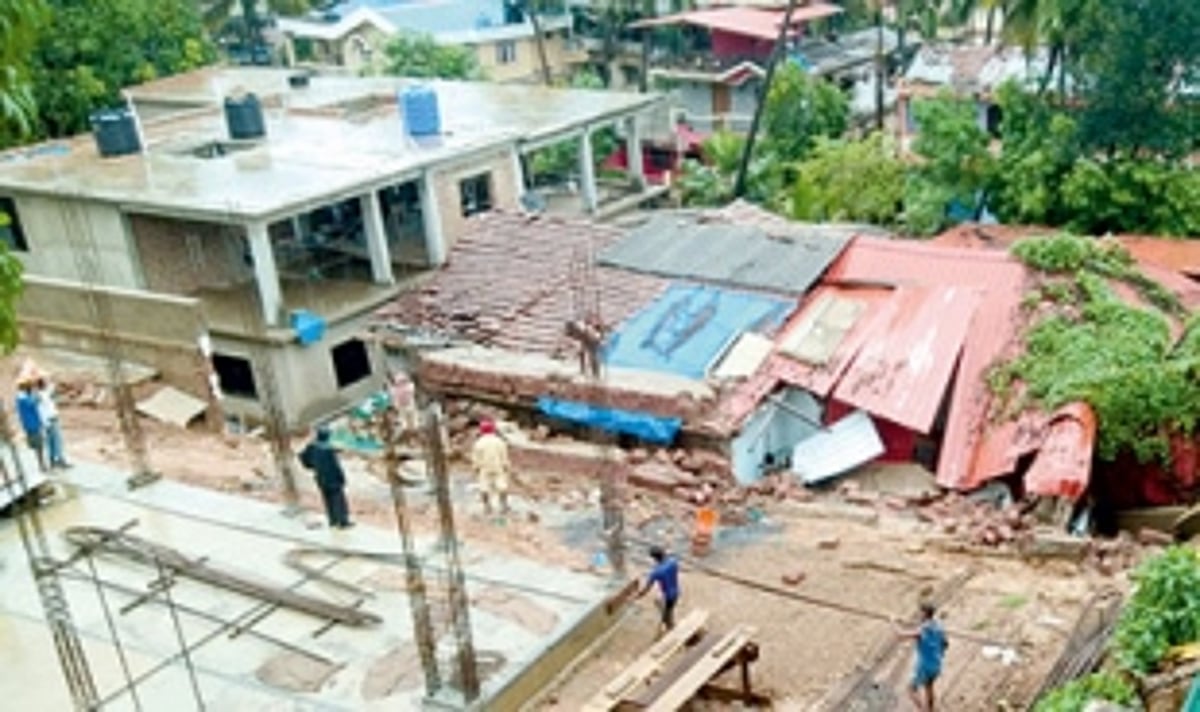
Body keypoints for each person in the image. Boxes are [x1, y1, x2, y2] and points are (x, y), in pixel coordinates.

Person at [299, 426, 353, 529]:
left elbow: (302, 457)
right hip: (333, 479)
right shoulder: (328, 449)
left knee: (327, 500)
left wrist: (312, 466)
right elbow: (335, 467)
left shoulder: (312, 447)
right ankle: (342, 522)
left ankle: (332, 521)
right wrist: (342, 478)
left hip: (321, 478)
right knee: (339, 500)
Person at [898, 602, 948, 711]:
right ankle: (930, 709)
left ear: (925, 613)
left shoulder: (922, 630)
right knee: (928, 686)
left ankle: (923, 709)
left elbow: (900, 635)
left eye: (920, 612)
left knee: (911, 689)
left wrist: (891, 621)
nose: (918, 614)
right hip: (936, 664)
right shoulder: (939, 626)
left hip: (925, 666)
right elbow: (945, 643)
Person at [636, 545, 680, 635]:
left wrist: (638, 596)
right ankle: (668, 623)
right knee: (664, 607)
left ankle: (671, 630)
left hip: (668, 596)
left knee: (666, 614)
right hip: (676, 592)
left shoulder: (656, 572)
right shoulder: (673, 562)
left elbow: (646, 589)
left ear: (654, 558)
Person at [470, 419, 511, 515]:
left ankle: (487, 507)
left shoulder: (478, 443)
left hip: (484, 468)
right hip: (498, 467)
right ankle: (503, 505)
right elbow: (504, 456)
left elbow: (476, 459)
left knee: (484, 488)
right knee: (502, 486)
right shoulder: (500, 441)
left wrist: (475, 469)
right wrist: (506, 467)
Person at [35, 377, 69, 469]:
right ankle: (59, 460)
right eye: (45, 383)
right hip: (51, 420)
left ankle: (53, 461)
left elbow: (52, 387)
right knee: (57, 441)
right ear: (43, 385)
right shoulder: (42, 396)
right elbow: (41, 411)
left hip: (48, 421)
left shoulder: (41, 394)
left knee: (51, 442)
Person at [14, 380, 46, 472]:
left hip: (32, 424)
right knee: (38, 446)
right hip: (32, 425)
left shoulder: (22, 398)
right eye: (30, 388)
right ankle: (41, 465)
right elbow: (34, 402)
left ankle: (41, 464)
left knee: (37, 445)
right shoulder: (23, 399)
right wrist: (36, 394)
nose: (32, 389)